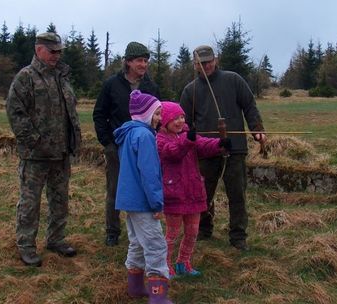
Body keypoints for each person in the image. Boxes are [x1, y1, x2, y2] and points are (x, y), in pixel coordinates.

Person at [179, 45, 266, 251]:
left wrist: (257, 129)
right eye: (202, 63)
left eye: (209, 61)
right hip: (205, 152)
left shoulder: (233, 80)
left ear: (216, 60)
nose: (206, 65)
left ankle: (238, 237)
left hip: (234, 150)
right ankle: (203, 229)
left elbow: (249, 106)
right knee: (202, 194)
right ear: (195, 65)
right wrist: (186, 138)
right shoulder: (190, 90)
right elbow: (183, 123)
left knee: (237, 194)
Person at [6, 32, 81, 266]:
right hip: (35, 156)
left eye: (59, 51)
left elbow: (70, 113)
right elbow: (15, 112)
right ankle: (26, 245)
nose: (56, 56)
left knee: (60, 200)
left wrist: (73, 141)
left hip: (61, 153)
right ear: (39, 50)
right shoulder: (25, 77)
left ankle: (56, 239)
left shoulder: (62, 77)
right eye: (52, 51)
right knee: (30, 202)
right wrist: (34, 141)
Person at [93, 41, 160, 247]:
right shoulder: (111, 85)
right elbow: (99, 114)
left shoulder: (151, 87)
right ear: (128, 62)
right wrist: (108, 143)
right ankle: (112, 231)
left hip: (144, 147)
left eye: (146, 61)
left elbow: (159, 114)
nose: (144, 64)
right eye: (139, 60)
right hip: (118, 148)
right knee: (114, 189)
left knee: (143, 187)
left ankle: (142, 229)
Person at [157, 101, 230, 277]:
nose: (180, 121)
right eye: (175, 118)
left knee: (192, 232)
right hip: (174, 193)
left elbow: (204, 144)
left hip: (193, 191)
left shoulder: (187, 135)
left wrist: (221, 144)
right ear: (165, 120)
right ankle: (165, 265)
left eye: (182, 116)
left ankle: (183, 262)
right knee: (172, 234)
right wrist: (188, 140)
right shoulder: (159, 139)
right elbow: (173, 152)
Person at [114, 90, 172, 303]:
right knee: (156, 245)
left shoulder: (128, 133)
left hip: (129, 200)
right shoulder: (145, 136)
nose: (159, 118)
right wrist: (157, 203)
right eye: (156, 114)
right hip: (144, 201)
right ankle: (158, 297)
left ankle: (136, 287)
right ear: (145, 114)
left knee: (137, 242)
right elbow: (149, 174)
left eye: (160, 114)